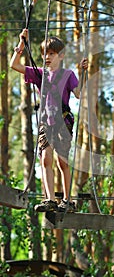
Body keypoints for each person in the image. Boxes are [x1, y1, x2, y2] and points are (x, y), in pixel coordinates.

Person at [10, 28, 88, 212]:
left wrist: (83, 73)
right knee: (45, 159)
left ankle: (67, 200)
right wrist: (22, 43)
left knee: (62, 161)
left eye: (51, 53)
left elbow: (78, 94)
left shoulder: (68, 75)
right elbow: (14, 65)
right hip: (46, 122)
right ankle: (50, 199)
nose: (46, 57)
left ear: (60, 56)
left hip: (63, 120)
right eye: (44, 53)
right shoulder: (39, 74)